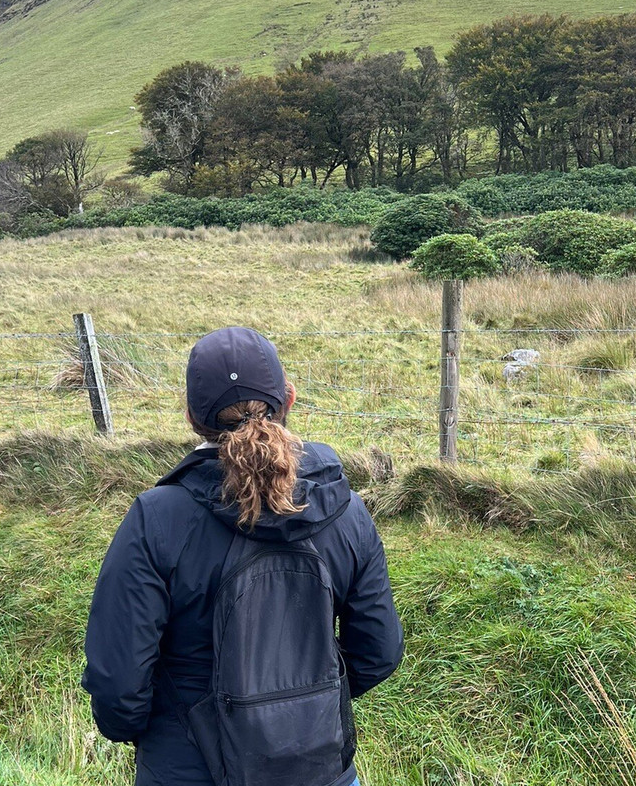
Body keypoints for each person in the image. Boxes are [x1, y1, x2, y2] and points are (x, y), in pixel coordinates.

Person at [82, 326, 404, 786]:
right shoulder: (347, 511)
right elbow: (379, 650)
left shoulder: (155, 519)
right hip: (320, 770)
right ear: (288, 399)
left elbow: (118, 686)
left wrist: (158, 737)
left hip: (187, 769)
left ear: (192, 416)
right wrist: (301, 706)